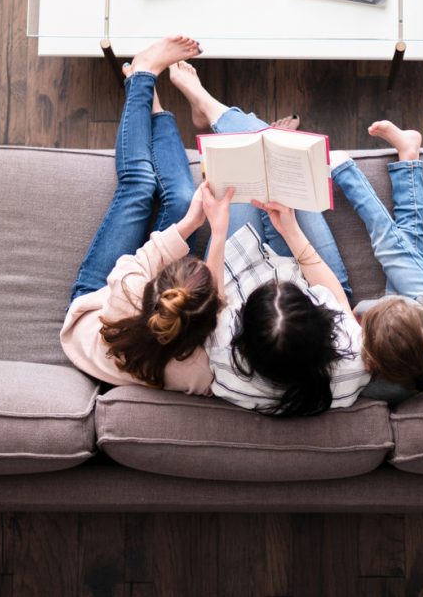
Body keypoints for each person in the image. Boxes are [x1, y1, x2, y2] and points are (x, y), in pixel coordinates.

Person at [169, 62, 368, 416]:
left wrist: (218, 230)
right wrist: (290, 229)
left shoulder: (228, 364)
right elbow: (340, 304)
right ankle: (216, 112)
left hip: (239, 272)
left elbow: (212, 304)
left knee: (235, 173)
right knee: (278, 155)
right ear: (321, 322)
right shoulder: (353, 362)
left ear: (242, 337)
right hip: (314, 274)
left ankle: (206, 105)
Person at [60, 35, 233, 394]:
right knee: (184, 197)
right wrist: (200, 222)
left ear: (152, 286)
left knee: (139, 186)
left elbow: (210, 300)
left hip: (95, 307)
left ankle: (141, 76)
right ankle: (154, 108)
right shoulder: (201, 372)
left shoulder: (126, 288)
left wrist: (196, 227)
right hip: (134, 324)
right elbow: (216, 311)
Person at [330, 120, 423, 404]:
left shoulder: (381, 387)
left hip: (409, 325)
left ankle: (409, 154)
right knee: (390, 246)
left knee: (409, 238)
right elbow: (365, 310)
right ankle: (346, 173)